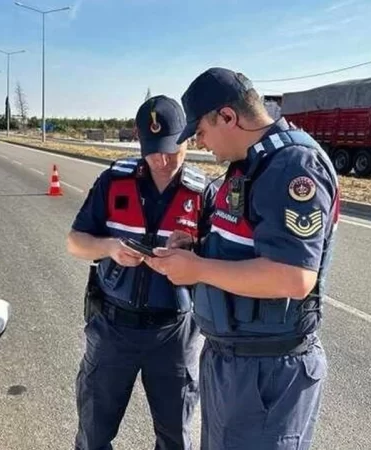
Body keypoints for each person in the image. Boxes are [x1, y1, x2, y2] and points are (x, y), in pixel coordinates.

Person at [145, 68, 340, 450]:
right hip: (232, 362)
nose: (200, 144)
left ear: (228, 117)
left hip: (267, 371)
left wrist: (198, 269)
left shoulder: (293, 165)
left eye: (200, 132)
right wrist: (196, 249)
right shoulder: (247, 165)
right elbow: (242, 245)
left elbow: (294, 278)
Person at [66, 95, 217, 450]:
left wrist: (193, 253)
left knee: (175, 438)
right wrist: (109, 248)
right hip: (113, 329)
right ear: (139, 140)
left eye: (171, 150)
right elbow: (75, 241)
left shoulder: (204, 193)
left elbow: (218, 264)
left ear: (187, 139)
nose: (162, 161)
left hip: (174, 335)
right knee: (93, 435)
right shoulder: (114, 181)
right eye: (152, 151)